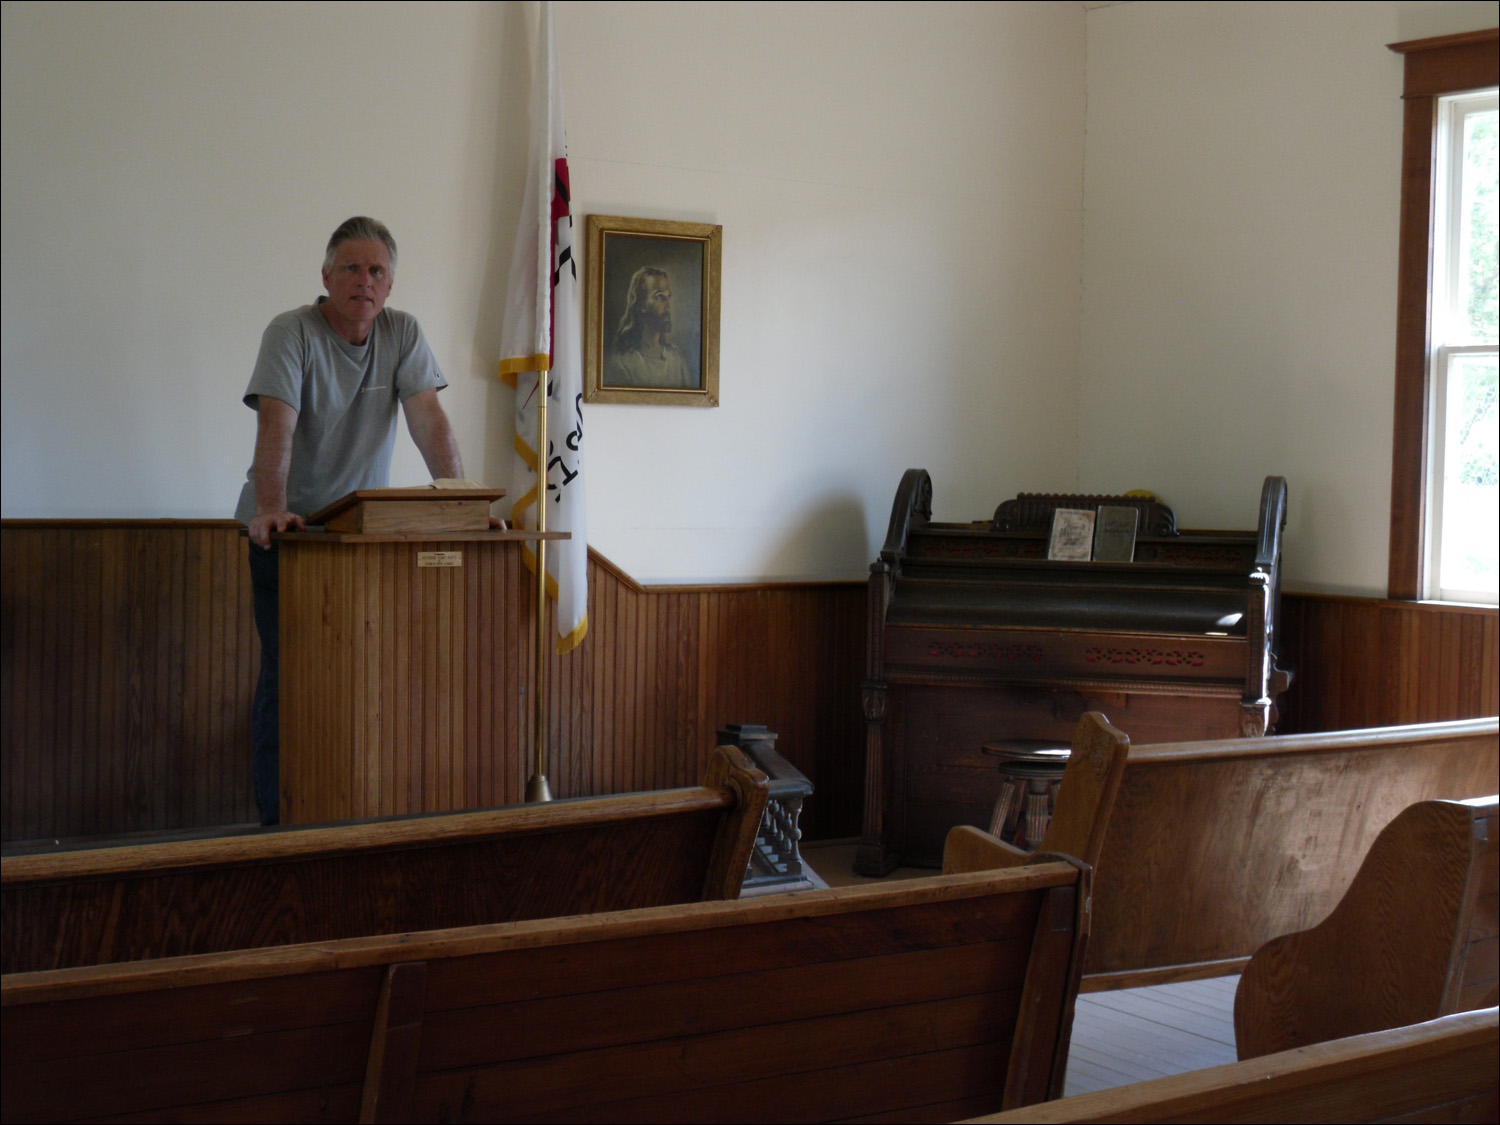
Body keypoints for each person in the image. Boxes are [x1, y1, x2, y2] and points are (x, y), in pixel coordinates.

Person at [234, 216, 468, 825]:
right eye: (351, 268)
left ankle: (348, 813)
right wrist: (270, 509)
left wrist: (464, 508)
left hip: (358, 539)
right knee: (289, 681)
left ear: (389, 286)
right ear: (326, 277)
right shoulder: (292, 332)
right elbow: (276, 424)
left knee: (362, 678)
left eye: (377, 271)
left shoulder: (404, 333)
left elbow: (430, 424)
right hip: (288, 535)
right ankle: (275, 824)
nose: (364, 280)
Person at [605, 266, 698, 388]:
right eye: (659, 297)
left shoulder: (676, 360)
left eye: (668, 297)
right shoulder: (623, 363)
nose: (668, 307)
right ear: (641, 304)